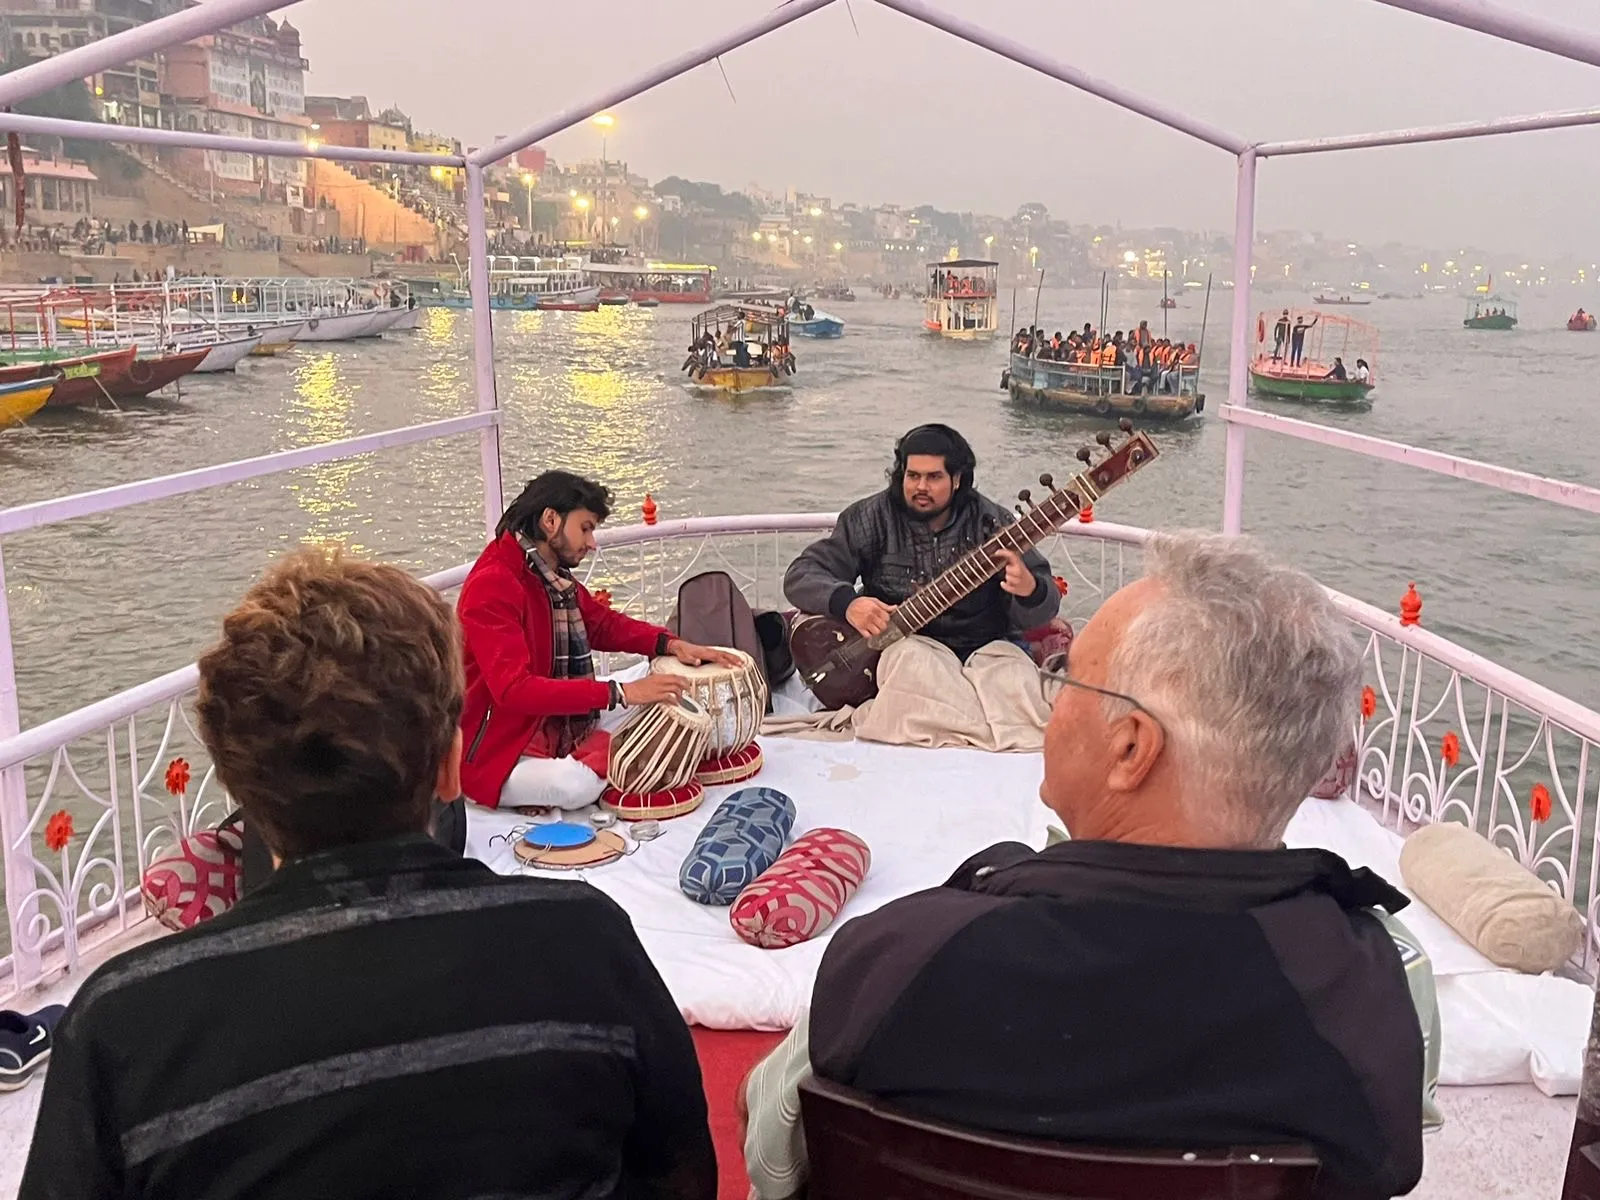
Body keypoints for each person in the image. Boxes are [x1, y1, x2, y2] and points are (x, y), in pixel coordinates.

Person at [745, 532, 1436, 1200]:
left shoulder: (901, 957)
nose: (1053, 700)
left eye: (1068, 677)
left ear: (1132, 749)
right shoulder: (1380, 985)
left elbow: (772, 1159)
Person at [20, 549, 717, 1200]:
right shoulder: (584, 942)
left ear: (240, 786)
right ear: (450, 767)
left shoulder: (123, 1023)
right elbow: (683, 1178)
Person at [457, 471, 738, 811]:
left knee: (668, 693)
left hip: (554, 723)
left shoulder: (547, 574)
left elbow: (601, 624)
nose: (592, 543)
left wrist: (669, 644)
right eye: (586, 528)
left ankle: (600, 751)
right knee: (573, 786)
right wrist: (618, 694)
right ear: (550, 520)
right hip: (501, 749)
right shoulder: (494, 584)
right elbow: (514, 691)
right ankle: (612, 754)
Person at [783, 424, 1059, 665]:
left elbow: (1041, 610)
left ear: (957, 480)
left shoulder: (993, 522)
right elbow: (801, 575)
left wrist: (1030, 591)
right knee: (912, 670)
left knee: (1015, 689)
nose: (921, 487)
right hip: (905, 653)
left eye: (934, 477)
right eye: (913, 476)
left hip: (983, 648)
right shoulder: (872, 518)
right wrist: (848, 604)